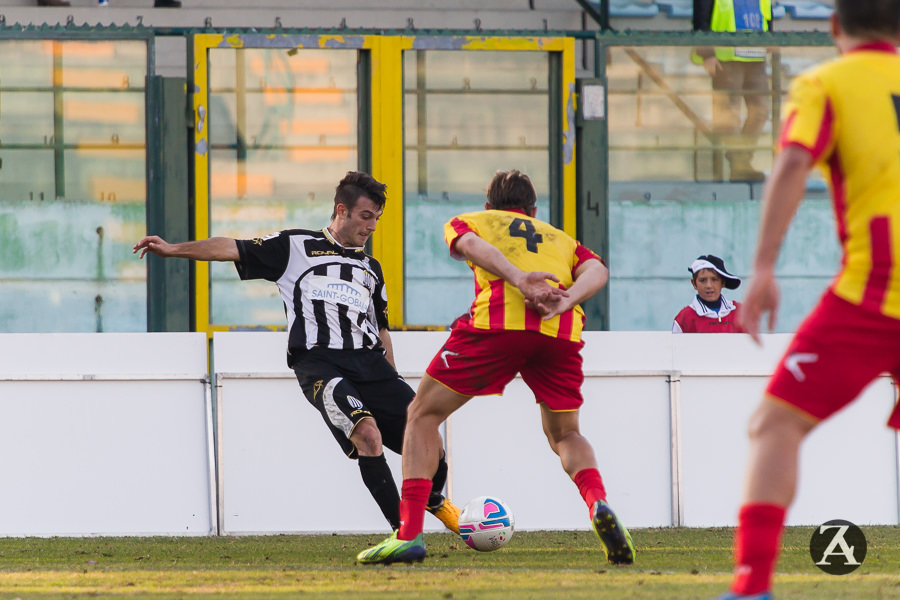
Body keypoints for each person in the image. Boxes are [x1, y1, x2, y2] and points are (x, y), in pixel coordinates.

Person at [133, 171, 460, 536]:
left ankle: (433, 500)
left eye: (377, 219)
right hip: (321, 365)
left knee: (430, 440)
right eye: (366, 216)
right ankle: (405, 534)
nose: (372, 226)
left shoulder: (371, 269)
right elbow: (231, 248)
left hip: (372, 365)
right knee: (367, 435)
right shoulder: (295, 247)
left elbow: (380, 327)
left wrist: (393, 376)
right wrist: (173, 248)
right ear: (342, 210)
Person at [356, 169, 635, 565]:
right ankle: (598, 503)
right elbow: (599, 271)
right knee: (567, 433)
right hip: (560, 332)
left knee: (421, 415)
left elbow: (469, 244)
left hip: (497, 327)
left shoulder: (471, 221)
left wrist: (520, 279)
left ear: (490, 206)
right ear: (533, 209)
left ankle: (409, 534)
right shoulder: (560, 238)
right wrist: (567, 298)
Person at [715, 1, 900, 599]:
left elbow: (794, 159)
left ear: (834, 26)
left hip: (875, 296)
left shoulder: (827, 82)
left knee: (776, 423)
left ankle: (752, 587)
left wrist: (764, 265)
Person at [693, 0, 772, 182]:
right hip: (726, 56)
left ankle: (742, 161)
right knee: (729, 114)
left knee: (760, 111)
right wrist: (707, 53)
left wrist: (770, 39)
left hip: (755, 55)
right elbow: (701, 16)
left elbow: (766, 13)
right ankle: (739, 165)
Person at [672, 254, 744, 333]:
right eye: (702, 280)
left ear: (723, 282)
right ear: (694, 283)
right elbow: (675, 345)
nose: (709, 286)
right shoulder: (684, 318)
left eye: (714, 279)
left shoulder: (740, 312)